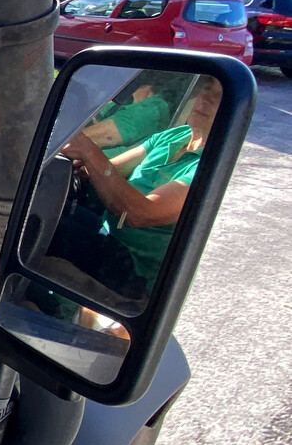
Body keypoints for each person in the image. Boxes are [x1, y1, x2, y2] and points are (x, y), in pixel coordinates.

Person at [57, 74, 222, 287]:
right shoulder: (175, 136)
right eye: (206, 88)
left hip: (134, 268)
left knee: (43, 243)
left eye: (219, 97)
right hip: (106, 231)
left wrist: (89, 151)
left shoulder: (208, 167)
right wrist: (77, 165)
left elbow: (139, 213)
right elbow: (112, 169)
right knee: (43, 217)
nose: (206, 98)